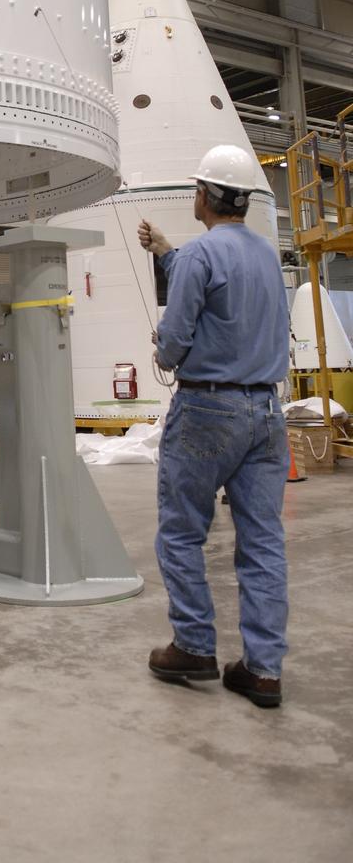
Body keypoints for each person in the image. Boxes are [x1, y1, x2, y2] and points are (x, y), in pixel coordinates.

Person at [138, 145, 290, 708]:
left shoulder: (201, 255)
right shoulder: (267, 254)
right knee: (263, 542)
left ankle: (195, 646)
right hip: (267, 412)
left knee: (181, 532)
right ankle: (264, 671)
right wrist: (166, 252)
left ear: (203, 195)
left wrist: (164, 347)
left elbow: (176, 338)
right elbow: (225, 283)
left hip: (207, 411)